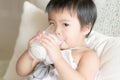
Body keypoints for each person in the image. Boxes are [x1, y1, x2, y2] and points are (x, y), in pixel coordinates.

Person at [16, 0, 99, 80]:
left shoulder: (88, 55)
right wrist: (30, 52)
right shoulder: (48, 47)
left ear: (85, 28)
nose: (56, 31)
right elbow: (21, 72)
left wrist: (58, 59)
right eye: (52, 23)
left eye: (65, 24)